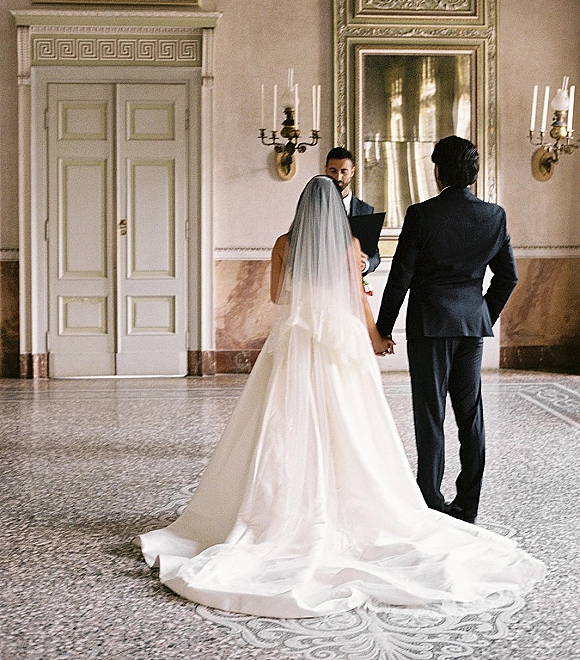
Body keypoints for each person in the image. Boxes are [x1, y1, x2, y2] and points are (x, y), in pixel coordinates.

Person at [137, 175, 544, 618]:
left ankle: (279, 507)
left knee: (282, 421)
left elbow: (278, 296)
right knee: (352, 423)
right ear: (336, 210)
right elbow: (358, 300)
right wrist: (376, 336)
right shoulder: (351, 246)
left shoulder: (282, 243)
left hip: (295, 340)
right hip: (341, 341)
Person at [375, 136, 518, 525]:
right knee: (470, 417)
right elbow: (508, 277)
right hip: (471, 328)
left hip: (429, 326)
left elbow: (400, 278)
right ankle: (467, 505)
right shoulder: (494, 215)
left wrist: (382, 329)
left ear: (437, 171)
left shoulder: (421, 214)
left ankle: (432, 503)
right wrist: (481, 313)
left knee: (430, 414)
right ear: (471, 173)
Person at [324, 146, 381, 274]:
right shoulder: (315, 207)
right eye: (333, 170)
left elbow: (375, 255)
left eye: (344, 171)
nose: (338, 177)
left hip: (353, 284)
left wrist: (365, 264)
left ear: (352, 172)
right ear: (326, 170)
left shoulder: (366, 210)